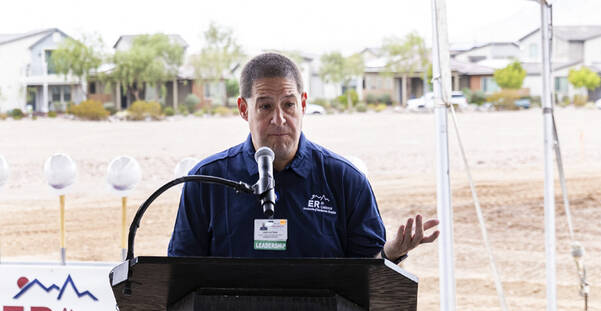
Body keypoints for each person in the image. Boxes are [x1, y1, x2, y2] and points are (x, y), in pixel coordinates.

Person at [168, 51, 437, 261]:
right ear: (243, 109)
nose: (279, 119)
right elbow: (180, 273)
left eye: (288, 104)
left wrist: (391, 253)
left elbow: (369, 276)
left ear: (304, 104)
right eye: (265, 106)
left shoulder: (345, 180)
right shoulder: (206, 181)